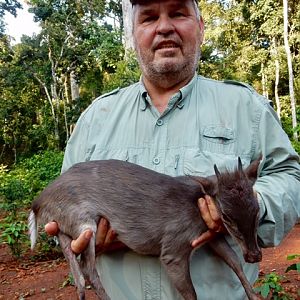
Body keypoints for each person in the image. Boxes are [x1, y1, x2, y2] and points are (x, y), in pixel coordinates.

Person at [45, 0, 300, 299]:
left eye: (178, 13)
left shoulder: (245, 107)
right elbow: (62, 208)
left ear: (201, 27)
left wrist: (252, 204)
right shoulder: (95, 119)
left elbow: (289, 175)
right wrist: (80, 234)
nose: (164, 27)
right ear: (133, 34)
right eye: (149, 18)